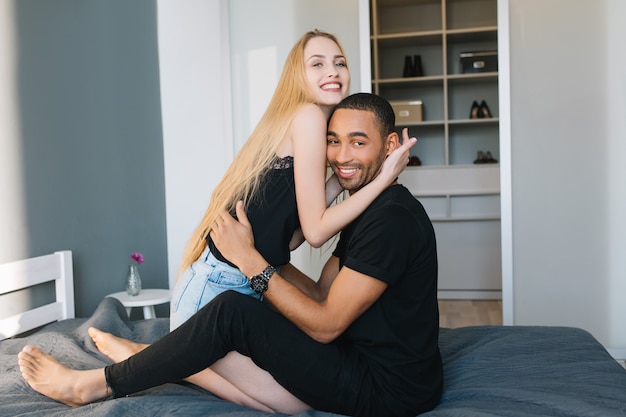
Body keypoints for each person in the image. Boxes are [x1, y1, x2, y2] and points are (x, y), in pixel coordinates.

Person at [19, 92, 443, 417]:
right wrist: (258, 251)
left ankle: (95, 386)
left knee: (232, 313)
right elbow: (319, 295)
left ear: (389, 146)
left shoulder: (393, 220)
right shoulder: (369, 209)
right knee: (244, 315)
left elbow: (326, 326)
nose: (340, 157)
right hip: (359, 359)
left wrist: (250, 262)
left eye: (358, 142)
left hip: (389, 390)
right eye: (333, 141)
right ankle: (154, 360)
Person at [86, 30, 415, 412]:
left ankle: (160, 355)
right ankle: (159, 359)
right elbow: (316, 230)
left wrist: (350, 182)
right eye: (318, 63)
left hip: (236, 286)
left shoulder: (311, 124)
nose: (333, 71)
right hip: (218, 289)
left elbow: (289, 239)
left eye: (339, 62)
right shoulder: (308, 117)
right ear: (299, 75)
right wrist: (383, 178)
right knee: (292, 406)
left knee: (289, 397)